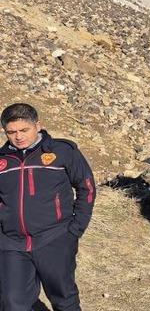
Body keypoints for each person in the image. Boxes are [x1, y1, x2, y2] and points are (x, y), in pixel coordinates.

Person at [0, 103, 96, 311]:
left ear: (37, 125)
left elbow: (86, 187)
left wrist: (75, 229)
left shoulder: (62, 151)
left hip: (55, 238)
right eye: (11, 132)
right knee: (11, 302)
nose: (18, 137)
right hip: (12, 243)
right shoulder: (2, 160)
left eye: (24, 130)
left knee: (63, 299)